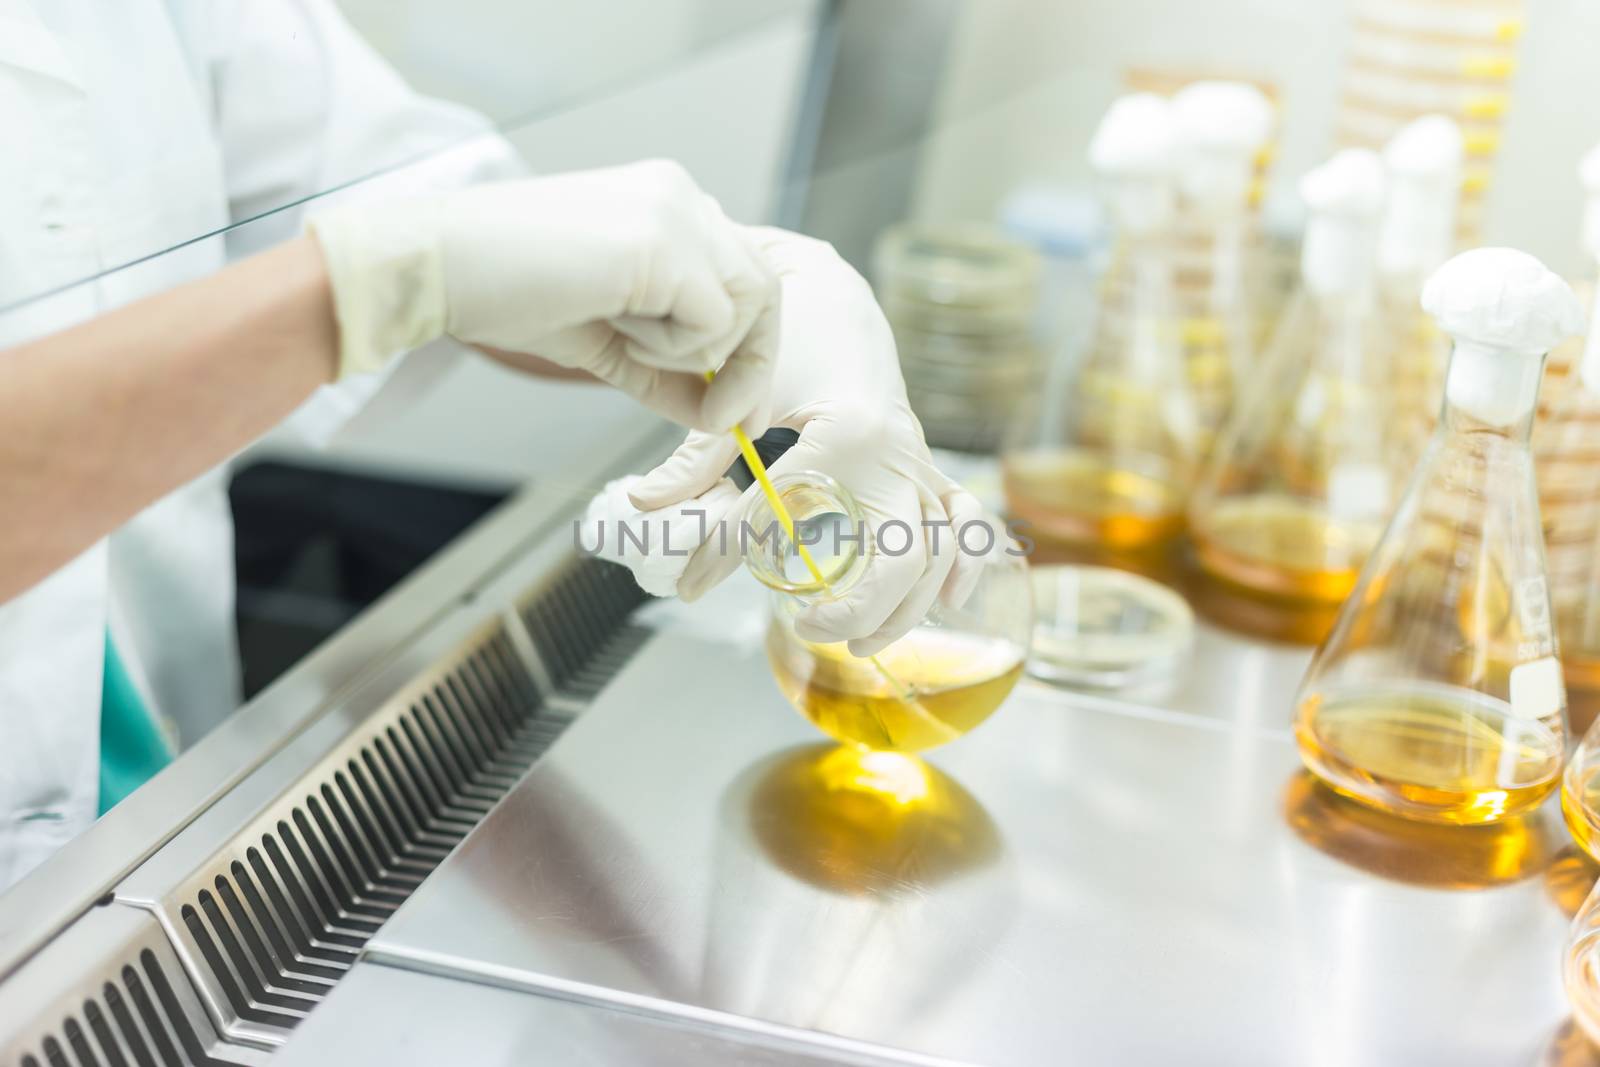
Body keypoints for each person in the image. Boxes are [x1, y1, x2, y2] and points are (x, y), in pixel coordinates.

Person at [0, 1, 981, 889]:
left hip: (145, 818)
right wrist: (375, 286)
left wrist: (765, 288)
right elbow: (407, 259)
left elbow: (415, 199)